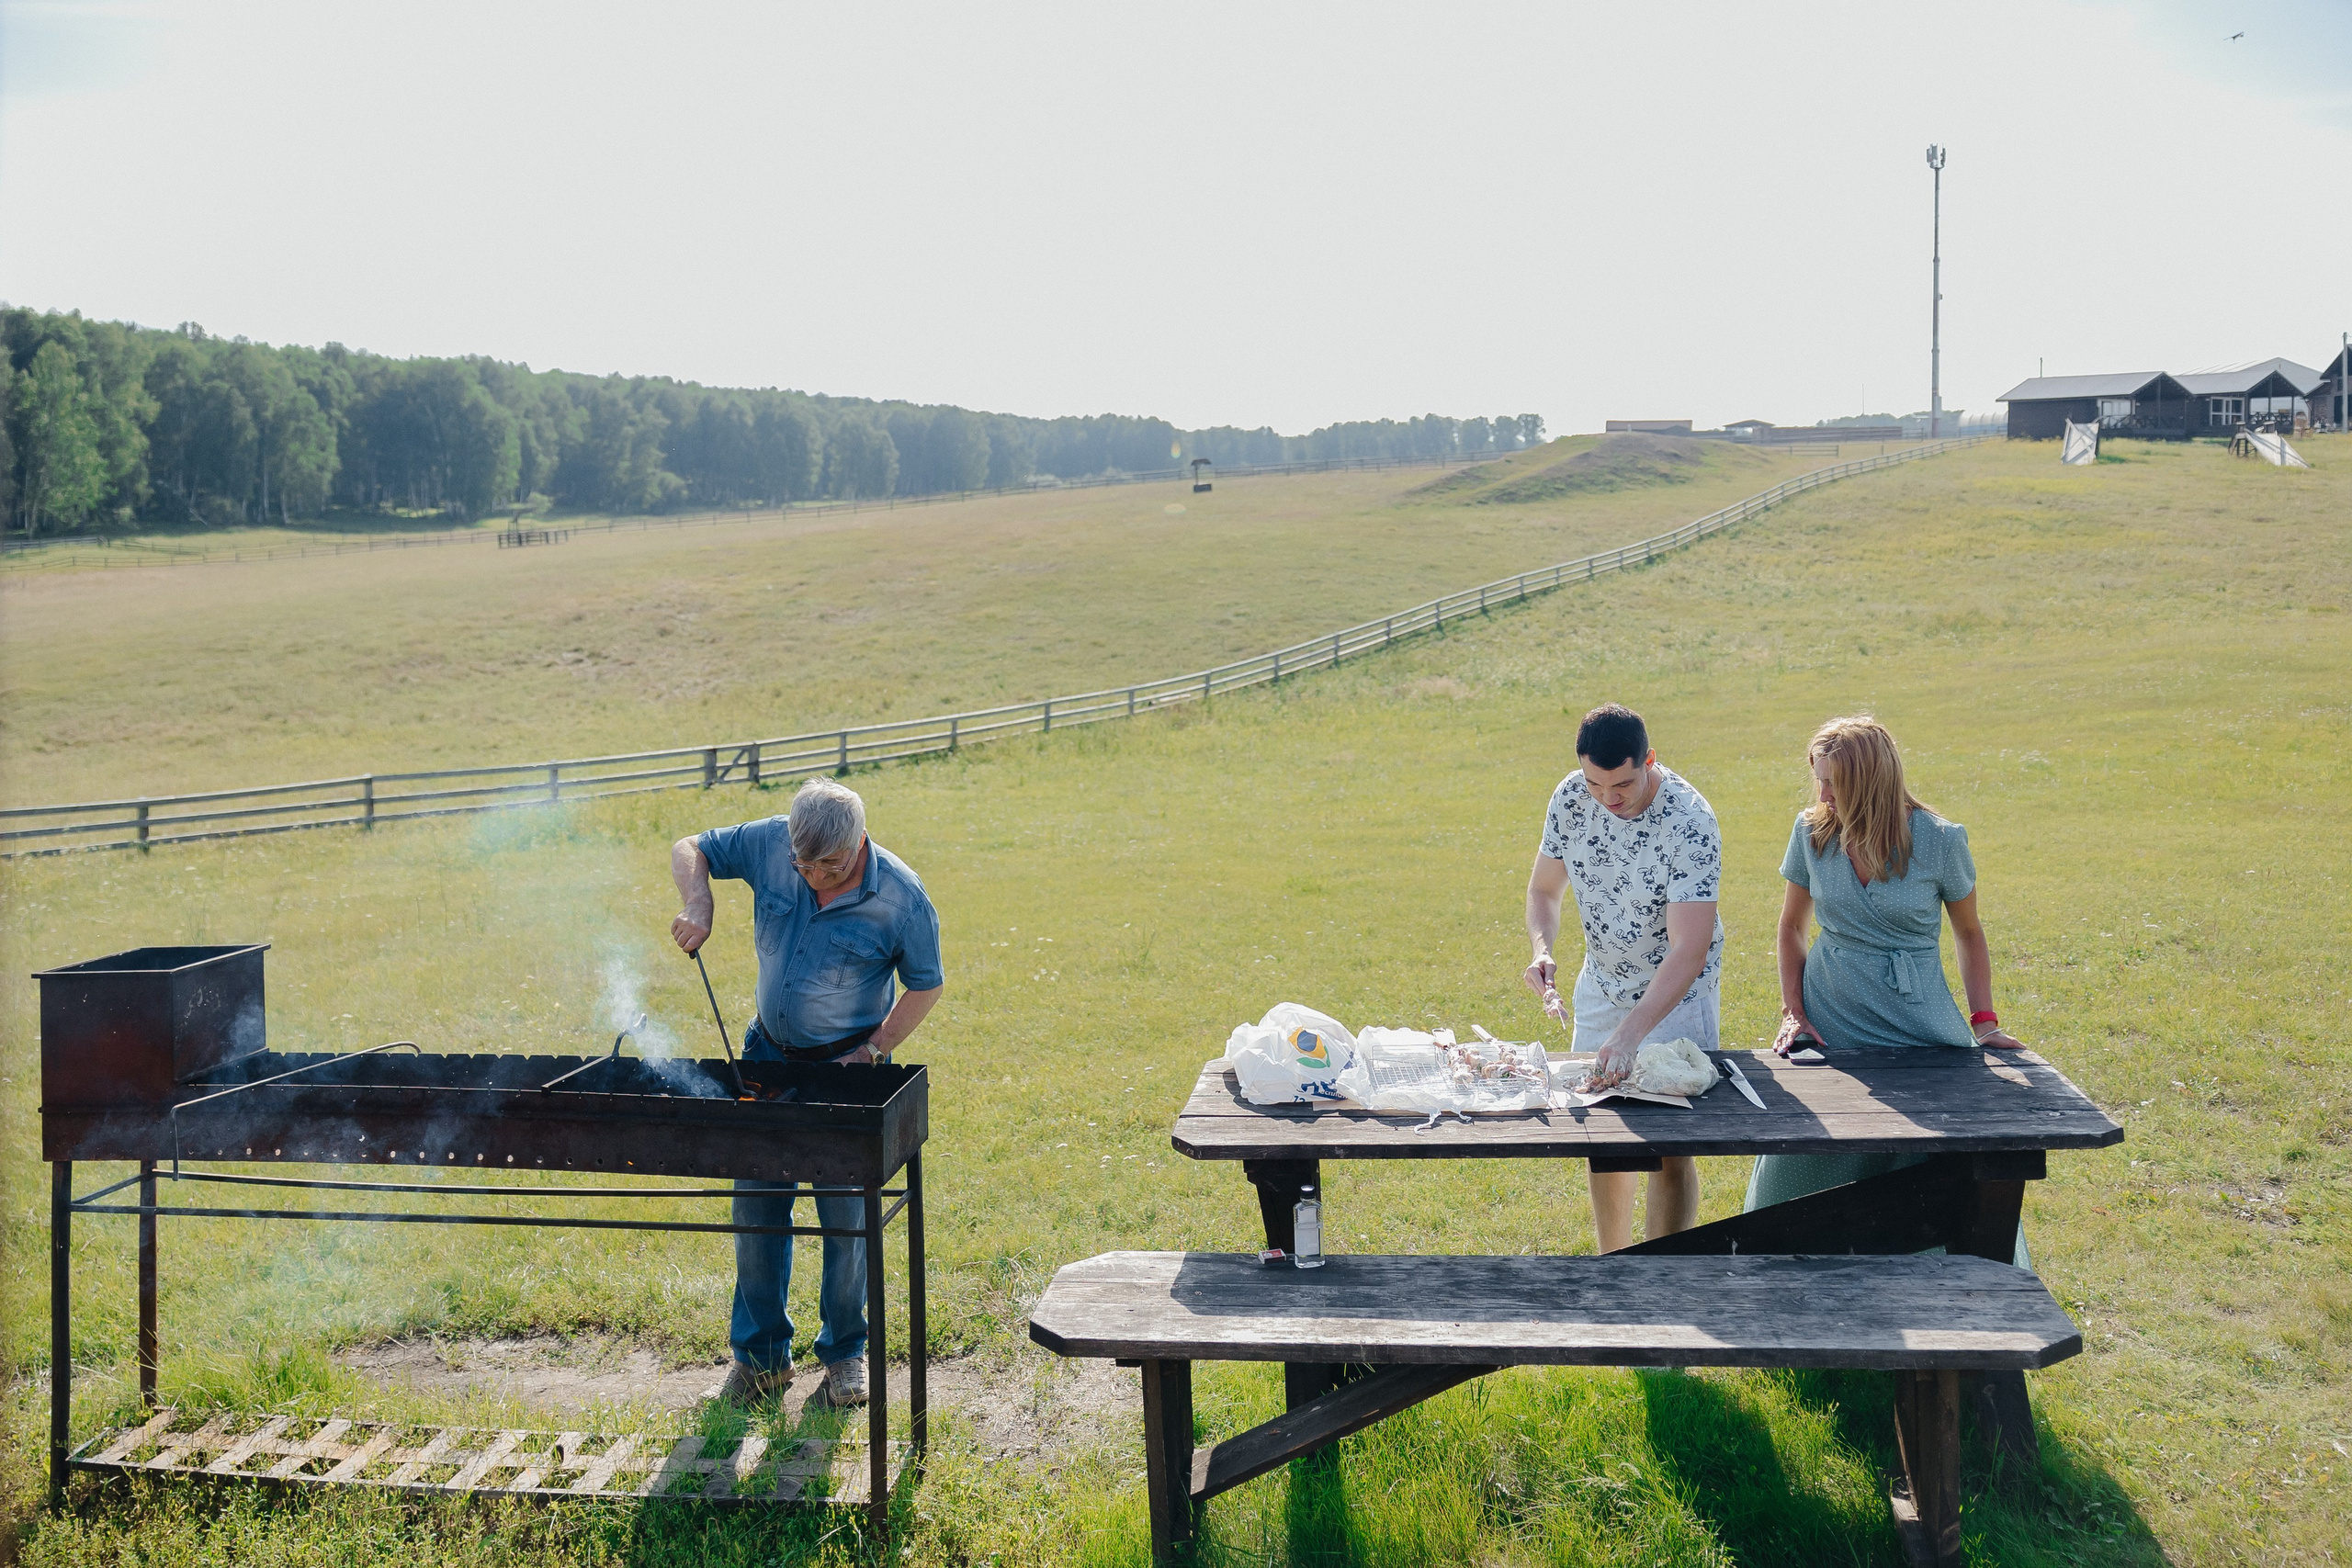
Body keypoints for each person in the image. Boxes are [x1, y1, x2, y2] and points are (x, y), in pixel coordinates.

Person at [670, 776, 944, 1407]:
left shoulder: (901, 895)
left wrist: (872, 1049)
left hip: (845, 1072)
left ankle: (846, 1352)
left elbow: (925, 984)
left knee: (845, 1218)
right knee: (758, 1209)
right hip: (766, 1056)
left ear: (860, 842)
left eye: (833, 863)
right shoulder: (771, 842)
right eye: (805, 862)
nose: (817, 874)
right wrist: (700, 900)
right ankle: (761, 1358)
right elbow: (692, 845)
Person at [1746, 716, 2029, 1259]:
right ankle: (1783, 1270)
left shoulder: (1941, 840)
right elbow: (1789, 928)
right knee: (1806, 1156)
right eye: (1818, 780)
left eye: (1835, 783)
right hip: (1832, 1020)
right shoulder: (1812, 831)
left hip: (1918, 1023)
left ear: (1871, 781)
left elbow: (1968, 933)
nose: (1823, 794)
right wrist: (1793, 1011)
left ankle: (1963, 1280)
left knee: (1936, 1158)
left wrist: (1985, 1023)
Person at [1523, 703, 1724, 1253]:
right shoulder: (1569, 798)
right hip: (1601, 984)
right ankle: (1613, 1263)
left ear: (1650, 759)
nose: (1609, 798)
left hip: (1676, 995)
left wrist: (1632, 1034)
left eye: (1624, 784)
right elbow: (1544, 891)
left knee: (1672, 1142)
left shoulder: (1690, 820)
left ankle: (1666, 1268)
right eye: (1595, 783)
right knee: (1605, 1133)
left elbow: (1689, 948)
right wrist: (1543, 951)